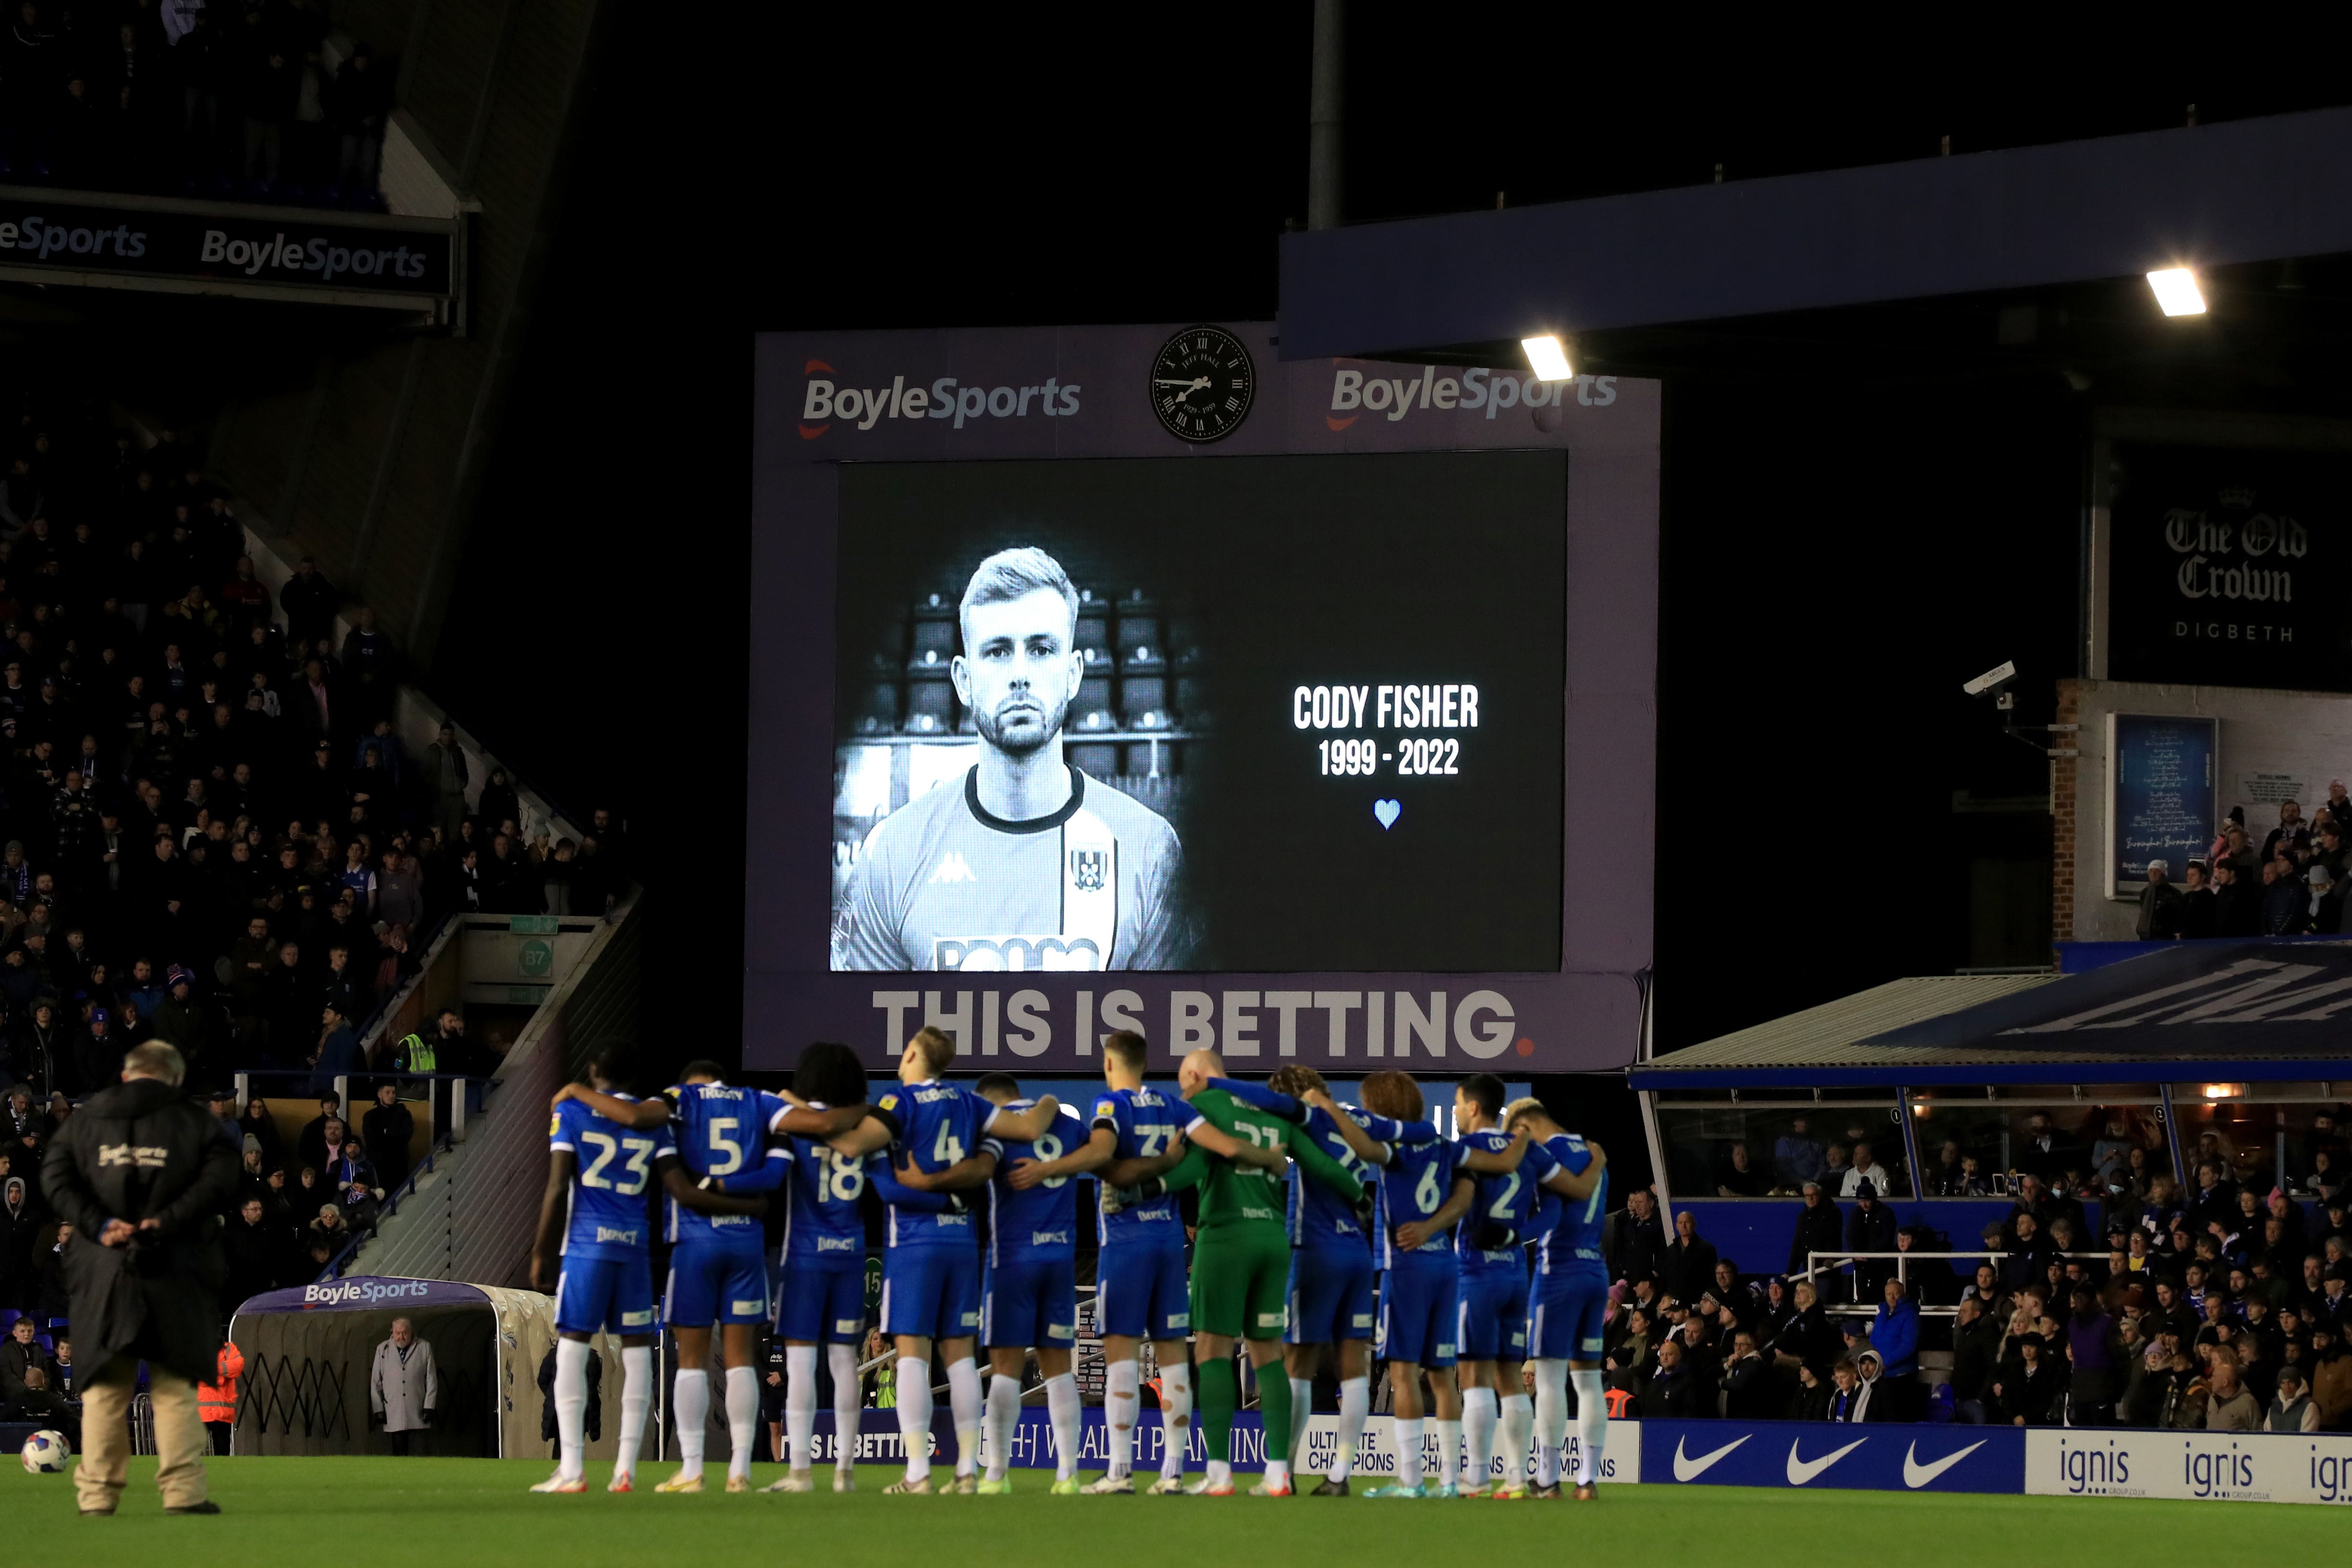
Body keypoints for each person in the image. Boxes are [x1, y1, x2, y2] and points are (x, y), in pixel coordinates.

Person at [832, 547, 1186, 970]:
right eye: (997, 651)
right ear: (963, 681)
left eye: (1041, 649)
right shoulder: (891, 855)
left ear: (1074, 674)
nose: (1020, 673)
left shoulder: (1147, 849)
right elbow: (863, 1030)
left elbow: (1167, 1031)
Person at [555, 1060, 832, 1493]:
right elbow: (807, 1132)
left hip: (695, 1244)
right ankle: (740, 1469)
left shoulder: (681, 1100)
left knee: (691, 1363)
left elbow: (634, 1116)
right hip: (746, 1244)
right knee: (741, 1361)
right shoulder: (757, 1102)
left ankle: (693, 1467)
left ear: (689, 1085)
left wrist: (576, 1091)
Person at [819, 1025, 1061, 1494]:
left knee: (912, 1354)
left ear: (912, 1053)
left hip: (913, 1244)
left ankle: (918, 1474)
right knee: (960, 1358)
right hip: (960, 1242)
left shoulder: (899, 1102)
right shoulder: (970, 1102)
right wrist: (1049, 1099)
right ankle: (968, 1472)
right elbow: (1031, 1126)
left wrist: (804, 1115)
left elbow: (850, 1144)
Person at [1110, 1050, 1363, 1497]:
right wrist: (1358, 1195)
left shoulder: (1202, 1106)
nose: (1182, 1090)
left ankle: (1220, 1473)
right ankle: (1279, 1474)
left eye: (1183, 1081)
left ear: (1194, 1074)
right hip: (1271, 1240)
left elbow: (1193, 1167)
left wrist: (1146, 1187)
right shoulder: (1270, 1111)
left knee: (1212, 1350)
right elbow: (1319, 1164)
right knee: (1268, 1353)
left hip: (1225, 1238)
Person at [527, 1049, 761, 1494]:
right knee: (637, 1354)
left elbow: (558, 1186)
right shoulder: (654, 1123)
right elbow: (679, 1188)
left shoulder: (572, 1112)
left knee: (573, 1347)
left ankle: (572, 1468)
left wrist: (541, 1253)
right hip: (633, 1248)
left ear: (593, 1073)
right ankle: (626, 1468)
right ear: (635, 1080)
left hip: (586, 1247)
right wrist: (748, 1207)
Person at [40, 1040, 238, 1515]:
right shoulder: (195, 1122)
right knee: (174, 1388)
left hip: (104, 1269)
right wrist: (164, 1222)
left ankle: (97, 1497)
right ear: (172, 1078)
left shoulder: (84, 1121)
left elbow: (54, 1178)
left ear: (127, 1076)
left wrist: (102, 1224)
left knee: (106, 1388)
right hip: (175, 1266)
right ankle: (183, 1494)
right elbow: (220, 1182)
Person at [1003, 1029, 1192, 1495]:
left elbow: (1104, 1153)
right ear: (1145, 1063)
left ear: (1110, 1063)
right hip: (1168, 1241)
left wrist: (1050, 1167)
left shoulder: (1107, 1108)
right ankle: (1172, 1473)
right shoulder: (1173, 1106)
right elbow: (1207, 1144)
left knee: (1122, 1357)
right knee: (1173, 1356)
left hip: (1125, 1243)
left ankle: (1120, 1471)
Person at [971, 1073, 1091, 1494]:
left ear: (988, 1101)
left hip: (1012, 1259)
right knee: (1058, 1370)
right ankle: (1068, 1476)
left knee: (1004, 1370)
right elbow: (1098, 1153)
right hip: (1059, 1259)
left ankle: (997, 1476)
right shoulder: (1066, 1121)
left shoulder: (993, 1125)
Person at [1505, 1096, 1611, 1501]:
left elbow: (1547, 1215)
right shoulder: (1593, 1154)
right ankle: (1587, 1481)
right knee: (1587, 1381)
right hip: (1594, 1270)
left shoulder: (1546, 1154)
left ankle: (1547, 1479)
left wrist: (1510, 1233)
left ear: (1525, 1126)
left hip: (1558, 1272)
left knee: (1548, 1380)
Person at [370, 1317, 438, 1455]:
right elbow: (376, 1382)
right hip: (393, 1411)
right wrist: (378, 1409)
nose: (401, 1337)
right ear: (392, 1332)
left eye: (405, 1333)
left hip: (418, 1410)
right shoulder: (382, 1349)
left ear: (411, 1332)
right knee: (398, 1453)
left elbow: (431, 1379)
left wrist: (429, 1406)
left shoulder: (424, 1347)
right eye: (397, 1333)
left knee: (419, 1451)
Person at [2136, 859, 2184, 940]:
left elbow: (2179, 916)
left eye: (2157, 871)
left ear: (2163, 874)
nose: (2153, 874)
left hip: (2165, 937)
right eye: (2151, 871)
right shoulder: (2145, 893)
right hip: (2146, 936)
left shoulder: (2173, 893)